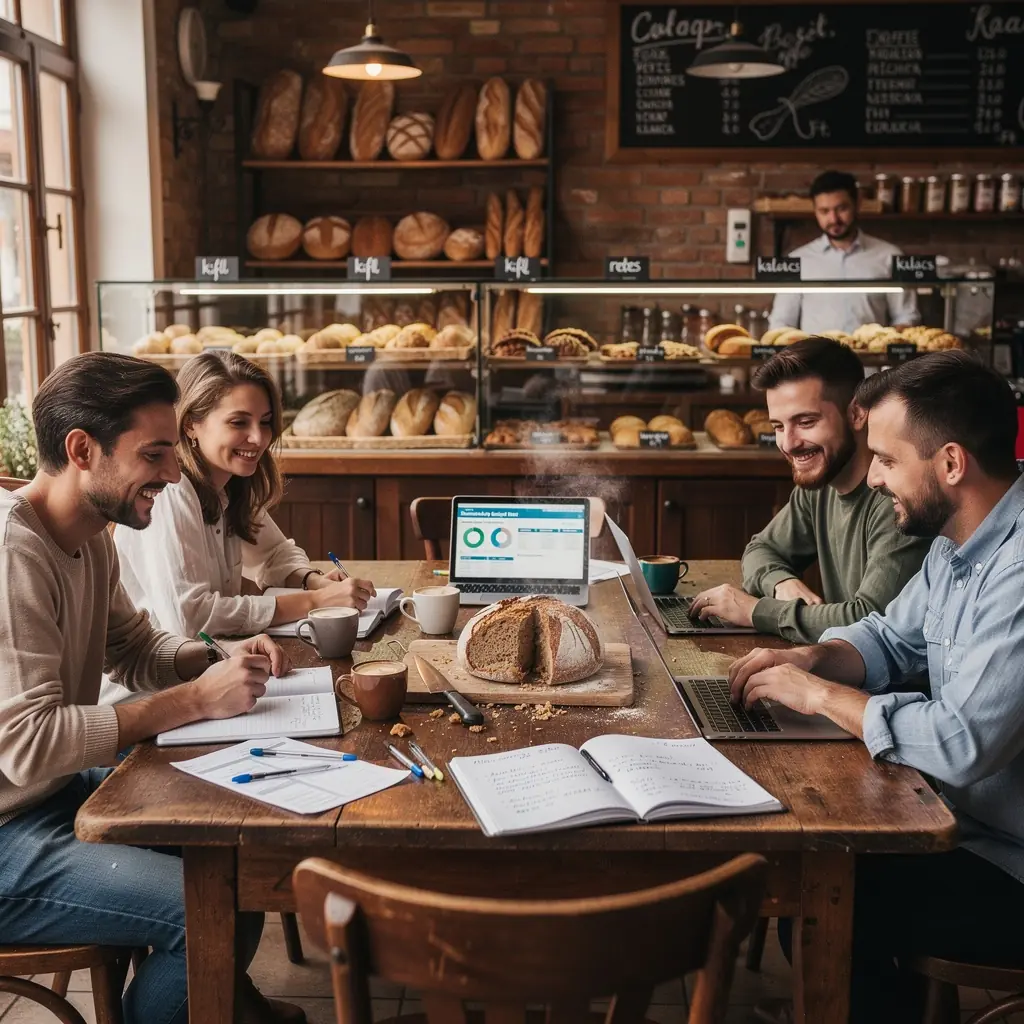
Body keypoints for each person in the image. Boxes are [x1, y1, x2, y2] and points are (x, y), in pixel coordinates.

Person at [0, 352, 305, 1024]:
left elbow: (135, 649)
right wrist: (195, 700)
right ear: (83, 449)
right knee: (208, 909)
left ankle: (212, 1003)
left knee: (237, 861)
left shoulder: (90, 536)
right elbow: (25, 745)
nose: (173, 474)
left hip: (49, 800)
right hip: (7, 834)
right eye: (155, 454)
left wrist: (210, 658)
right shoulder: (11, 553)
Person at [730, 351, 1024, 1023]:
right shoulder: (959, 537)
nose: (878, 478)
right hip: (960, 825)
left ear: (950, 463)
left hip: (1009, 863)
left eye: (888, 461)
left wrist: (819, 697)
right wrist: (813, 657)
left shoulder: (1018, 569)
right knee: (816, 880)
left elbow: (960, 745)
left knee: (827, 894)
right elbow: (891, 638)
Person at [115, 350, 375, 640]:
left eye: (265, 421)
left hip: (212, 663)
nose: (259, 437)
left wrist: (311, 581)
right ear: (190, 424)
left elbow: (274, 553)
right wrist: (314, 602)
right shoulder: (171, 490)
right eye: (239, 422)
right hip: (158, 681)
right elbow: (191, 618)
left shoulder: (229, 482)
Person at [691, 338, 929, 643]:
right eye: (778, 426)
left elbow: (869, 620)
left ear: (857, 413)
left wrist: (755, 611)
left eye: (805, 421)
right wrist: (781, 583)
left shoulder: (894, 496)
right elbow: (761, 549)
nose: (789, 443)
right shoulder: (820, 482)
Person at [768, 169, 920, 335]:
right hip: (815, 359)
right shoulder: (797, 260)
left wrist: (892, 341)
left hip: (871, 359)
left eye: (841, 209)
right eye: (824, 211)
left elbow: (906, 317)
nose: (833, 219)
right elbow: (781, 323)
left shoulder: (889, 256)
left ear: (857, 204)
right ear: (815, 211)